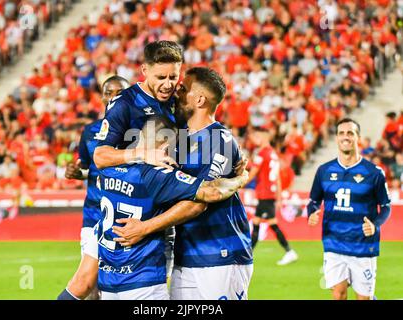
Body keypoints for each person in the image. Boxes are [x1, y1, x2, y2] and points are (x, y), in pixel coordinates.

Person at [57, 116, 249, 300]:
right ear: (165, 147)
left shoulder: (107, 171)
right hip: (144, 282)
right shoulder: (157, 177)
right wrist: (241, 178)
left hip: (109, 282)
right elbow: (211, 193)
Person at [112, 67, 253, 300]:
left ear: (199, 99)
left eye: (183, 89)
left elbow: (200, 202)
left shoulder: (219, 139)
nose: (176, 93)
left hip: (220, 254)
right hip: (186, 255)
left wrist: (145, 228)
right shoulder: (179, 139)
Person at [307, 118, 391, 300]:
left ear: (358, 137)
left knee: (363, 298)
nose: (346, 137)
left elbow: (385, 207)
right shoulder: (324, 170)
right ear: (336, 138)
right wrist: (311, 212)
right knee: (338, 295)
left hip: (363, 245)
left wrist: (375, 224)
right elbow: (313, 200)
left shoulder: (374, 173)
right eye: (342, 133)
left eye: (350, 133)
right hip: (334, 243)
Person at [64, 75, 129, 300]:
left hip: (125, 217)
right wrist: (77, 173)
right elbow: (87, 169)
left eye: (119, 93)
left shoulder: (137, 132)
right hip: (94, 214)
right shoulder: (90, 131)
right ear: (102, 97)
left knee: (121, 283)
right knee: (90, 285)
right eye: (109, 92)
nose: (113, 97)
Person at [93, 40, 184, 170]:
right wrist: (143, 154)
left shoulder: (178, 99)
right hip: (136, 184)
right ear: (144, 70)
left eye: (173, 77)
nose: (168, 85)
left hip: (169, 182)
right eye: (161, 77)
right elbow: (100, 157)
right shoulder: (124, 103)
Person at [248, 126, 298, 265]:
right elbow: (277, 178)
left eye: (256, 136)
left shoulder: (262, 153)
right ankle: (248, 254)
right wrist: (279, 197)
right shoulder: (273, 154)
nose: (255, 139)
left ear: (263, 137)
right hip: (269, 193)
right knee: (257, 223)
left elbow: (253, 173)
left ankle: (289, 251)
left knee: (272, 224)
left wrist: (236, 185)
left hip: (265, 194)